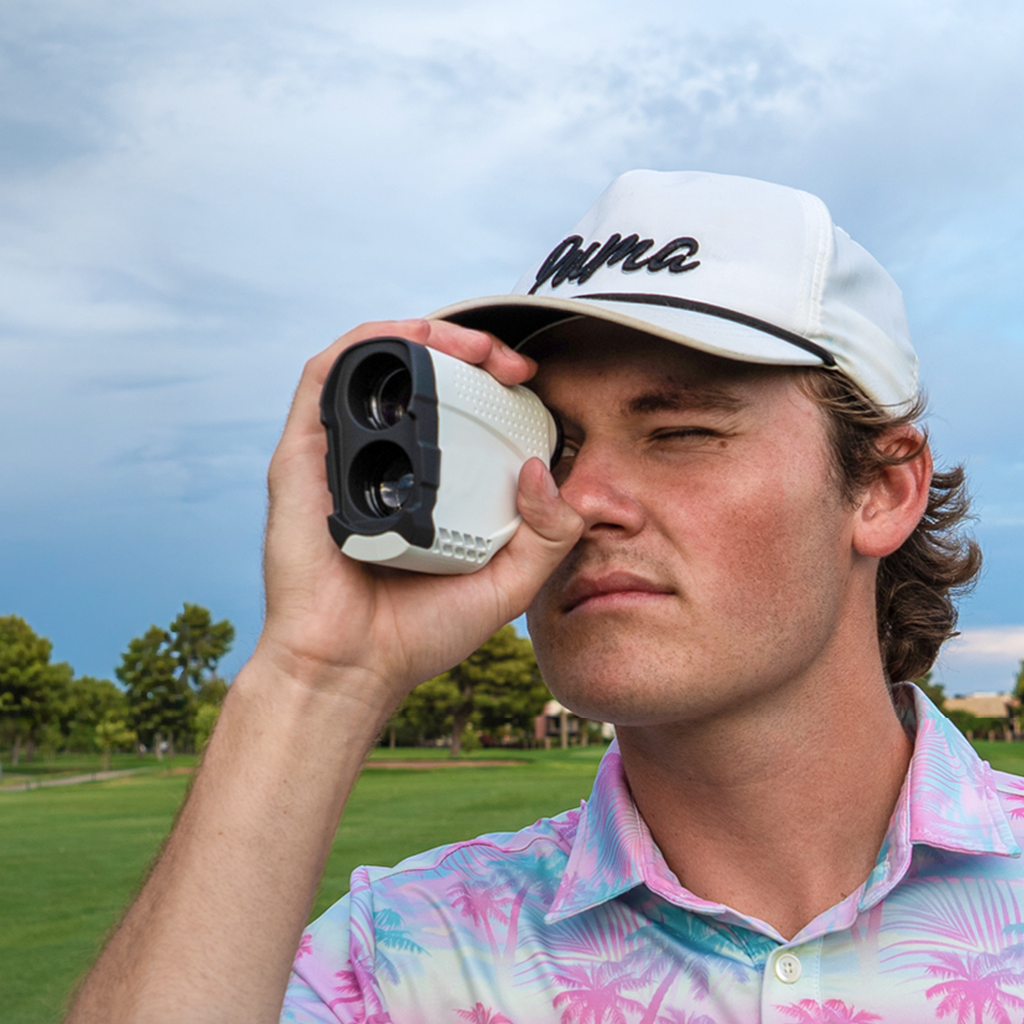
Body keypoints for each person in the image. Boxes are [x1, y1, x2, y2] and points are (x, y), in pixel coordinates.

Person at [65, 170, 1016, 1024]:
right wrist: (317, 679)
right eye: (551, 447)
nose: (576, 501)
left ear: (883, 489)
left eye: (680, 431)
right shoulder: (395, 960)